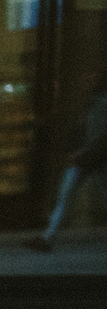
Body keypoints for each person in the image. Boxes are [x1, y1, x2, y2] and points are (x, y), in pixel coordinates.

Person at [27, 68, 107, 254]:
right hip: (91, 158)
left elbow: (99, 135)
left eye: (91, 77)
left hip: (90, 157)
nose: (86, 80)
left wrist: (79, 152)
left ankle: (47, 238)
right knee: (66, 197)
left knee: (65, 197)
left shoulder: (100, 104)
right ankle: (47, 237)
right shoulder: (94, 103)